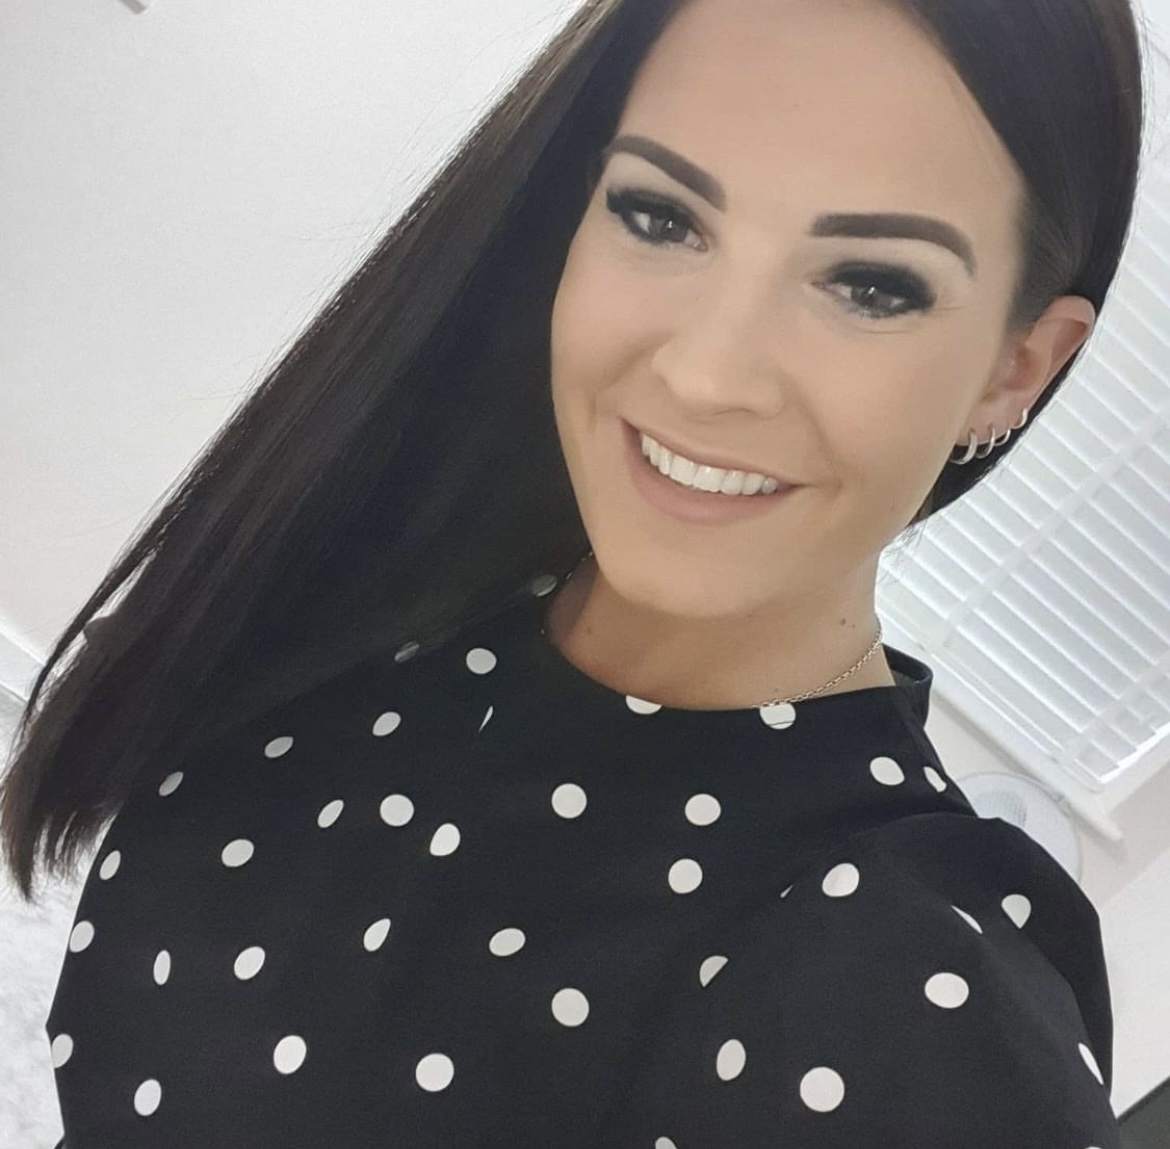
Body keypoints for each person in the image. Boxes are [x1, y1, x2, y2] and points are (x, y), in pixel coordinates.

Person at [0, 0, 1148, 1144]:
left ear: (1017, 367)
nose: (705, 374)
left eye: (871, 286)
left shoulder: (908, 989)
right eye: (661, 215)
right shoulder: (397, 589)